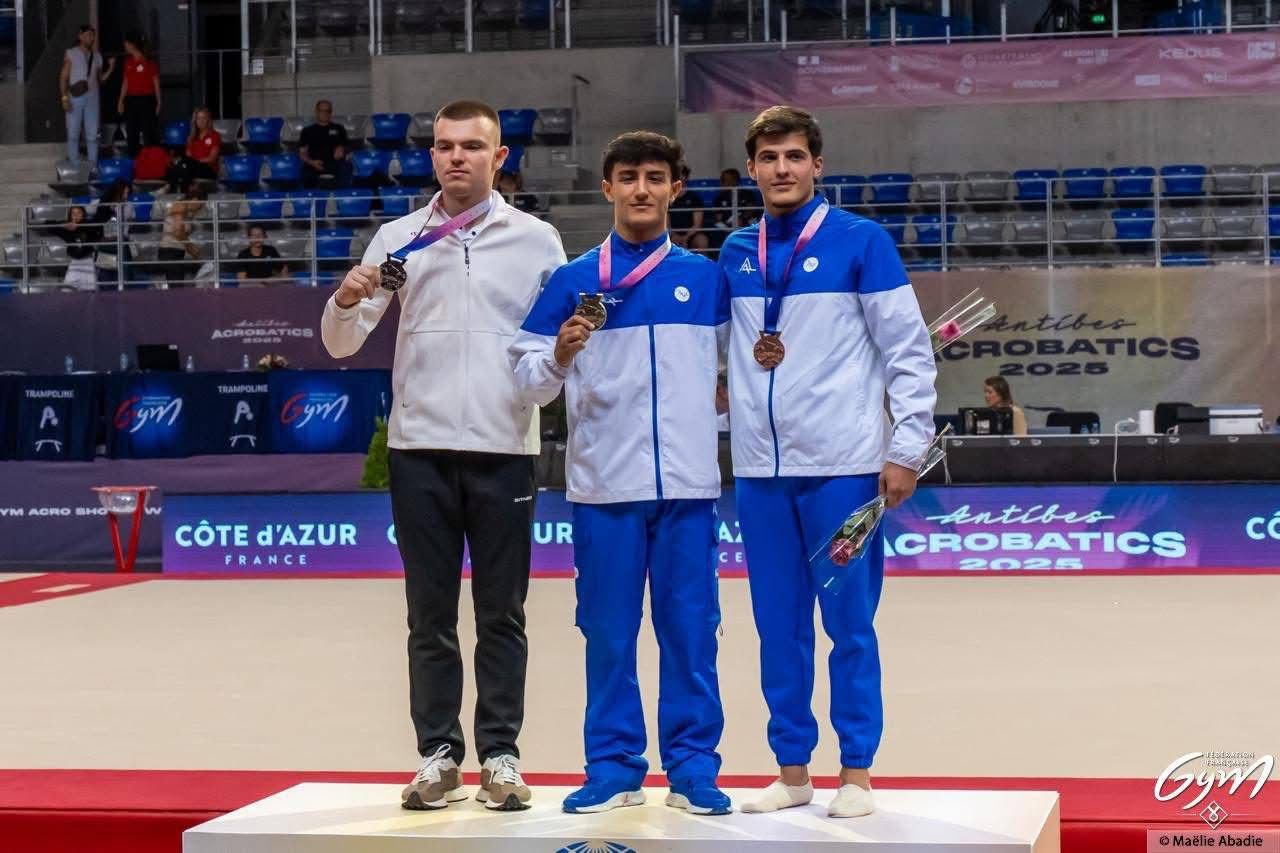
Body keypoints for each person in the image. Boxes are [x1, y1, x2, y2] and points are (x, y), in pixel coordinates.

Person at [320, 100, 566, 813]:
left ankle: (501, 756)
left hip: (504, 447)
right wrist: (345, 299)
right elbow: (342, 341)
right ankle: (438, 754)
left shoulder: (538, 241)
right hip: (418, 449)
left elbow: (552, 346)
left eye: (473, 146)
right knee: (428, 614)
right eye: (446, 146)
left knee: (502, 614)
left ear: (499, 158)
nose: (458, 156)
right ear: (432, 155)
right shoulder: (397, 238)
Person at [717, 106, 937, 819]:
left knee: (849, 626)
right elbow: (719, 361)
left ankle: (857, 773)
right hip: (761, 475)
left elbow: (908, 352)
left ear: (817, 164)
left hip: (844, 470)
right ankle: (792, 771)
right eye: (768, 157)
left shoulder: (861, 241)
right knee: (778, 629)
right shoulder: (734, 252)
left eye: (794, 156)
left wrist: (905, 449)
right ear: (751, 169)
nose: (781, 168)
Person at [510, 131, 731, 817]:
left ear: (675, 189)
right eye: (629, 177)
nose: (641, 189)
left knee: (691, 634)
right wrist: (558, 354)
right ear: (607, 188)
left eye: (655, 177)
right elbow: (526, 382)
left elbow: (742, 375)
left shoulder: (708, 279)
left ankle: (693, 768)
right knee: (608, 635)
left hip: (688, 491)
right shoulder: (572, 282)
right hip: (605, 489)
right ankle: (612, 767)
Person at [59, 25, 115, 171]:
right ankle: (74, 164)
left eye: (93, 35)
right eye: (89, 34)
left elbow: (101, 80)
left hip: (92, 99)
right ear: (80, 36)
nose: (91, 38)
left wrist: (111, 68)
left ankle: (92, 166)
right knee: (73, 132)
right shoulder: (71, 53)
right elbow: (63, 77)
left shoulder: (97, 56)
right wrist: (64, 98)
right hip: (75, 97)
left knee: (92, 134)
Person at [116, 33, 161, 157]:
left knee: (148, 130)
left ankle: (151, 158)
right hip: (131, 99)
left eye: (126, 44)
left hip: (147, 99)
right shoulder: (128, 62)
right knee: (131, 130)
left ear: (132, 44)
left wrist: (159, 101)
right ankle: (133, 157)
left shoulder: (148, 62)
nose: (125, 46)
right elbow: (125, 82)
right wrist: (121, 100)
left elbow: (155, 82)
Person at [158, 183, 206, 285]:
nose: (200, 208)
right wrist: (192, 248)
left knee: (176, 285)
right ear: (195, 199)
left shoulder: (186, 211)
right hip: (169, 251)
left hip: (176, 252)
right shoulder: (180, 206)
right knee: (176, 287)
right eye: (201, 205)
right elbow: (178, 232)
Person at [299, 100, 352, 188]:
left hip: (336, 166)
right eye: (322, 111)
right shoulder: (307, 131)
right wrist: (311, 162)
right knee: (305, 172)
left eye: (328, 111)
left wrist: (342, 149)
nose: (325, 113)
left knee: (346, 168)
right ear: (316, 112)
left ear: (331, 113)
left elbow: (348, 148)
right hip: (314, 166)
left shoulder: (339, 128)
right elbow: (302, 153)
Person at [54, 206, 98, 290]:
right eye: (73, 213)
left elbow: (95, 228)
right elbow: (49, 226)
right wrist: (63, 225)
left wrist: (78, 226)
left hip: (88, 261)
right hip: (74, 262)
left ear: (83, 215)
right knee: (67, 290)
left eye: (79, 213)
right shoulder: (67, 230)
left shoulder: (90, 226)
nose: (76, 215)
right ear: (70, 216)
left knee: (90, 292)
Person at [668, 164, 708, 252]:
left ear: (686, 177)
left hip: (692, 235)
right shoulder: (667, 198)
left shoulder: (694, 198)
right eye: (675, 174)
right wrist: (674, 235)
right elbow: (667, 223)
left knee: (702, 242)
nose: (678, 177)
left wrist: (686, 237)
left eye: (681, 174)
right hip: (673, 235)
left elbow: (697, 224)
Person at [185, 107, 222, 182]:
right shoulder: (191, 138)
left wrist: (196, 162)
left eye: (204, 118)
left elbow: (212, 159)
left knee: (188, 169)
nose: (201, 121)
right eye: (198, 118)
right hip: (193, 167)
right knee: (180, 167)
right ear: (195, 121)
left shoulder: (215, 135)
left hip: (208, 169)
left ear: (208, 120)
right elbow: (188, 156)